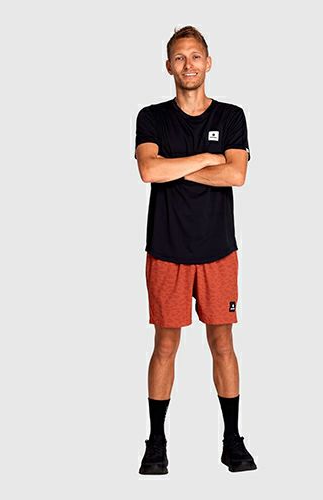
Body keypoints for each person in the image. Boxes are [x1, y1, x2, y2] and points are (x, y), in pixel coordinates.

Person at [134, 25, 257, 474]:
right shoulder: (152, 117)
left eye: (196, 56)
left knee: (222, 342)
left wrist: (174, 167)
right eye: (180, 57)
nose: (189, 65)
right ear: (168, 66)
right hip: (166, 249)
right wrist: (208, 159)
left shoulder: (231, 116)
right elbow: (149, 171)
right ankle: (156, 443)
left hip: (218, 251)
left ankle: (232, 441)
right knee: (165, 344)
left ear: (208, 62)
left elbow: (236, 175)